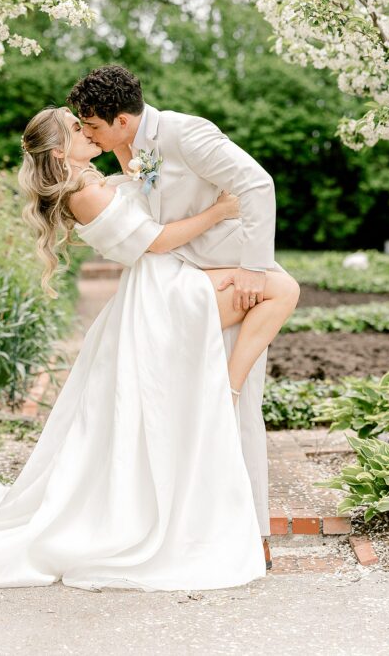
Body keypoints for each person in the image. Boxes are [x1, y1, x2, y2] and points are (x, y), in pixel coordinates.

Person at [0, 105, 299, 592]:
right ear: (59, 152)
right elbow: (156, 241)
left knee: (278, 291)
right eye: (77, 127)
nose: (88, 131)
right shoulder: (82, 193)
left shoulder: (96, 179)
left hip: (168, 284)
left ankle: (224, 393)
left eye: (88, 124)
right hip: (162, 294)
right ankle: (226, 390)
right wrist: (219, 211)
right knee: (281, 289)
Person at [67, 65, 291, 564]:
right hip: (179, 282)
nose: (88, 134)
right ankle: (190, 528)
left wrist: (254, 269)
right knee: (184, 409)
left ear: (122, 120)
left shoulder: (186, 134)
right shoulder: (126, 147)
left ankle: (252, 537)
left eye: (93, 125)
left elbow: (257, 185)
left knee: (237, 407)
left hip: (230, 277)